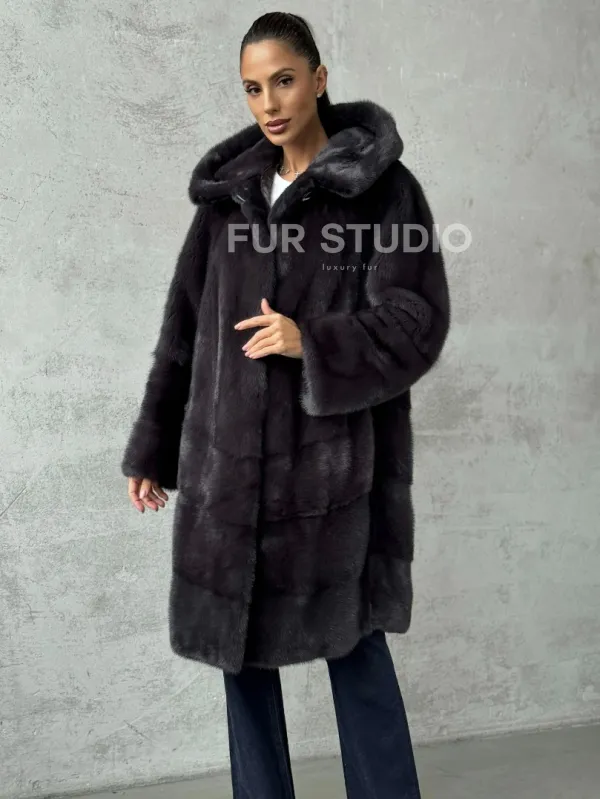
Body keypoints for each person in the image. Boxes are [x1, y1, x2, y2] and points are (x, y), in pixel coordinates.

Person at [121, 10, 450, 798]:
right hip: (227, 476)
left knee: (356, 652)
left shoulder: (383, 192)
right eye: (252, 88)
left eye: (284, 80)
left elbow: (417, 321)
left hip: (334, 481)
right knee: (238, 656)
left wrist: (314, 342)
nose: (268, 102)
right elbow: (182, 330)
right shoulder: (226, 202)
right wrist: (153, 448)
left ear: (319, 79)